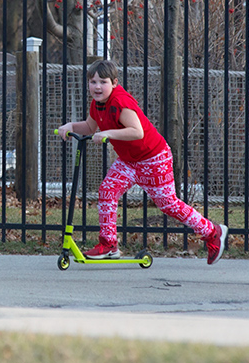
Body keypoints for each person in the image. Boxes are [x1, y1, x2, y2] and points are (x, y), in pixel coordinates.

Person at [57, 59, 227, 265]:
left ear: (114, 83)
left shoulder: (121, 103)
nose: (97, 87)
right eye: (93, 82)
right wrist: (71, 126)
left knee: (168, 204)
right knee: (107, 190)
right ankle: (109, 244)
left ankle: (212, 232)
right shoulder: (97, 105)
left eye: (103, 82)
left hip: (153, 158)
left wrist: (108, 133)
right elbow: (90, 127)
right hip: (129, 161)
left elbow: (136, 131)